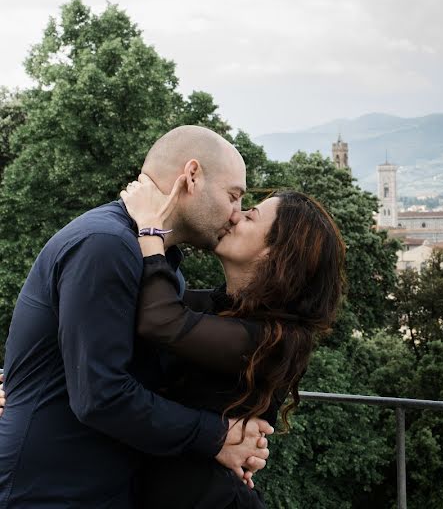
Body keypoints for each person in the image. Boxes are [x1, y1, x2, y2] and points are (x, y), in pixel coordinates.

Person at [0, 126, 273, 508]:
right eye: (233, 196)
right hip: (49, 489)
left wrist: (240, 440)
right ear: (191, 175)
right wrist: (216, 436)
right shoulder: (106, 245)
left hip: (99, 486)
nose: (235, 215)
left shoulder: (157, 263)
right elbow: (101, 395)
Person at [120, 176, 344, 508]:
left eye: (250, 216)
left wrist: (152, 229)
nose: (235, 215)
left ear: (275, 253)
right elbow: (139, 309)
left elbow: (161, 320)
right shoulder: (223, 308)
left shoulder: (277, 340)